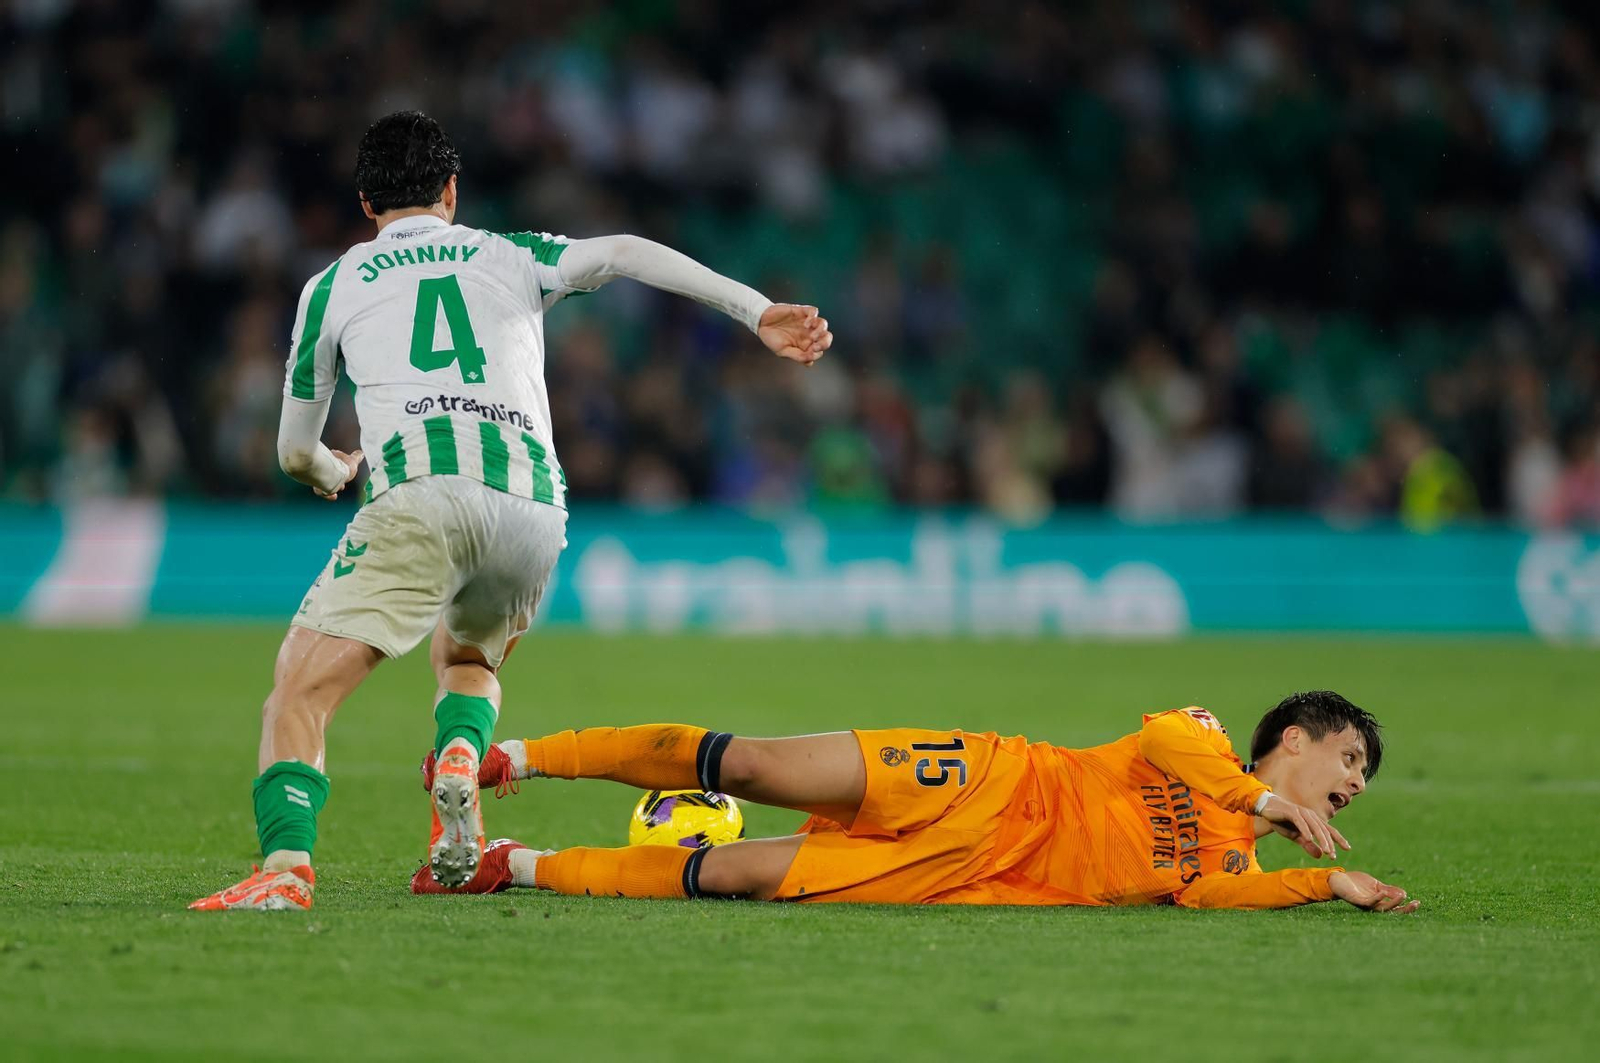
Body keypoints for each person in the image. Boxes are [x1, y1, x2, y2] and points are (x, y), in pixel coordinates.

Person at [190, 111, 833, 911]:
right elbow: (627, 251)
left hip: (421, 495)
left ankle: (284, 871)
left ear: (365, 204)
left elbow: (295, 452)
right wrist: (756, 310)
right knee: (467, 661)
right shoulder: (511, 253)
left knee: (299, 692)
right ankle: (459, 762)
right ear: (452, 191)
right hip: (533, 506)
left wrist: (334, 469)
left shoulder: (334, 284)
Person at [412, 690, 1420, 913]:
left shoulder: (1233, 862)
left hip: (972, 871)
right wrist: (1260, 800)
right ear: (1292, 738)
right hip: (986, 775)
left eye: (1362, 776)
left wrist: (1327, 880)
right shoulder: (1200, 739)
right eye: (1347, 755)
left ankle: (513, 864)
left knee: (733, 873)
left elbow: (1208, 898)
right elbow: (1158, 737)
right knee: (753, 763)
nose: (1354, 778)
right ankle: (509, 757)